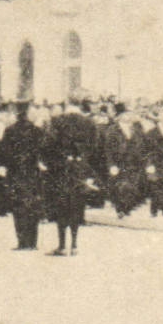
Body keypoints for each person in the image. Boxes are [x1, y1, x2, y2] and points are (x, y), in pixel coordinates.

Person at [44, 98, 96, 255]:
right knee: (76, 205)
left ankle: (61, 245)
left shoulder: (57, 121)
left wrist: (52, 163)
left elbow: (48, 144)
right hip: (80, 169)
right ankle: (74, 245)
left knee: (61, 206)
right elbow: (95, 147)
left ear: (67, 105)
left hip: (61, 170)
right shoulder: (89, 123)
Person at [0, 101, 47, 250]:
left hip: (16, 173)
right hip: (33, 173)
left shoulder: (9, 130)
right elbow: (43, 152)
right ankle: (32, 242)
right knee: (33, 206)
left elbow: (3, 153)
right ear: (27, 113)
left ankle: (22, 242)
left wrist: (6, 166)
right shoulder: (37, 131)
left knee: (19, 207)